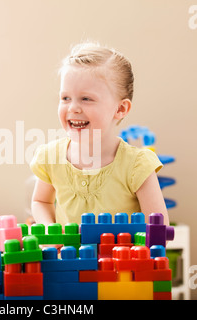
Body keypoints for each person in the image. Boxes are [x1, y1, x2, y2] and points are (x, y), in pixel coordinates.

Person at [30, 41, 169, 230]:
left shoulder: (138, 165)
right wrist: (50, 230)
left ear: (120, 109)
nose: (73, 108)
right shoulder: (50, 157)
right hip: (67, 259)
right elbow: (40, 201)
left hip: (121, 259)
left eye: (86, 99)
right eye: (65, 98)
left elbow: (158, 228)